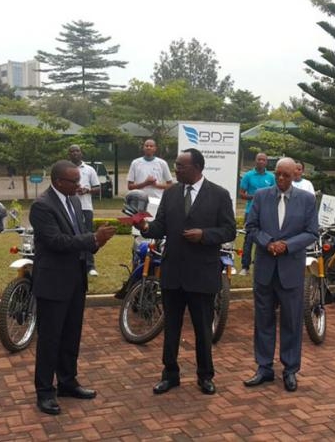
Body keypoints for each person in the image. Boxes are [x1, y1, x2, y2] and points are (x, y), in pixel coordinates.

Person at [134, 148, 236, 396]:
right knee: (172, 327)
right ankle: (170, 374)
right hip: (173, 273)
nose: (176, 169)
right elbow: (160, 226)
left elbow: (229, 230)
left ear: (197, 168)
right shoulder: (170, 194)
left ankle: (205, 376)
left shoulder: (219, 195)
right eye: (177, 165)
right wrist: (145, 226)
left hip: (202, 274)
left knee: (203, 329)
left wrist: (205, 235)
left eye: (181, 166)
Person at [29, 160, 117, 415]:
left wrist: (96, 242)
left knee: (71, 336)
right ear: (59, 182)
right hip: (53, 283)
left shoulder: (75, 201)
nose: (80, 185)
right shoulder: (42, 206)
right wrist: (92, 239)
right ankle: (44, 392)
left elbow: (78, 237)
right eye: (74, 181)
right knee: (50, 340)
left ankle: (67, 382)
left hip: (75, 280)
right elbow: (56, 241)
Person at [243, 158, 318, 393]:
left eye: (286, 175)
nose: (281, 179)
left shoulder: (306, 200)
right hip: (265, 269)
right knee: (263, 320)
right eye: (278, 174)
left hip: (290, 270)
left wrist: (287, 245)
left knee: (292, 322)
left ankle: (290, 370)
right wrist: (269, 243)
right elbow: (251, 226)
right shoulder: (262, 196)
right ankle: (264, 367)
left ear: (295, 175)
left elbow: (312, 232)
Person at [238, 152, 276, 275]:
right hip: (251, 212)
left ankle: (261, 266)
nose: (261, 162)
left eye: (263, 160)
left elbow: (275, 193)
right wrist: (255, 197)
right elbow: (241, 194)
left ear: (266, 162)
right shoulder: (248, 176)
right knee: (248, 239)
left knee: (265, 239)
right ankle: (245, 267)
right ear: (255, 161)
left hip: (266, 213)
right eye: (259, 159)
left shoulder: (271, 177)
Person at [68, 144, 101, 276]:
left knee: (88, 235)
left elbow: (98, 188)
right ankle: (72, 263)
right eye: (72, 151)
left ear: (81, 153)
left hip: (86, 207)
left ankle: (90, 266)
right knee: (71, 235)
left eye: (77, 151)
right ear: (68, 154)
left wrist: (87, 190)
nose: (75, 153)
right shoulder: (66, 169)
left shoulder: (89, 169)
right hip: (69, 207)